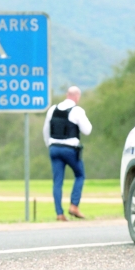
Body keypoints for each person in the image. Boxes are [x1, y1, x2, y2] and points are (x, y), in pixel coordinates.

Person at [43, 86, 93, 221]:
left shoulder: (52, 109)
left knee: (57, 181)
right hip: (70, 149)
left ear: (67, 95)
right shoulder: (77, 111)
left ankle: (59, 213)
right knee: (80, 175)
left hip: (54, 148)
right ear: (77, 96)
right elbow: (87, 130)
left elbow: (46, 130)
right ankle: (74, 206)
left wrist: (50, 145)